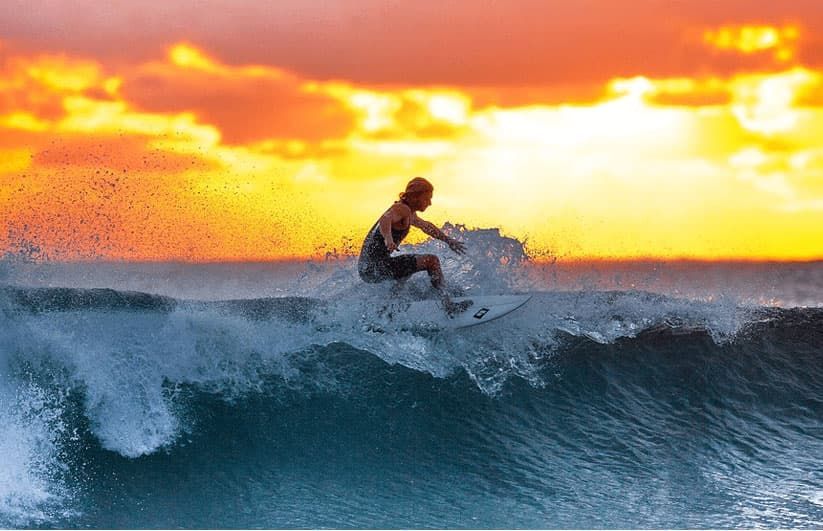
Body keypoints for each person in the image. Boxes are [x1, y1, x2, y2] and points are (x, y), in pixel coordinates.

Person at [358, 177, 472, 314]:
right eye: (427, 198)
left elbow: (426, 227)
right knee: (431, 261)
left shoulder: (408, 212)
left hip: (368, 269)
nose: (429, 203)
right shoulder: (401, 209)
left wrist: (448, 241)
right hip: (374, 267)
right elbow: (385, 218)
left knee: (405, 270)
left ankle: (385, 311)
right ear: (415, 197)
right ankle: (448, 305)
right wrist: (388, 238)